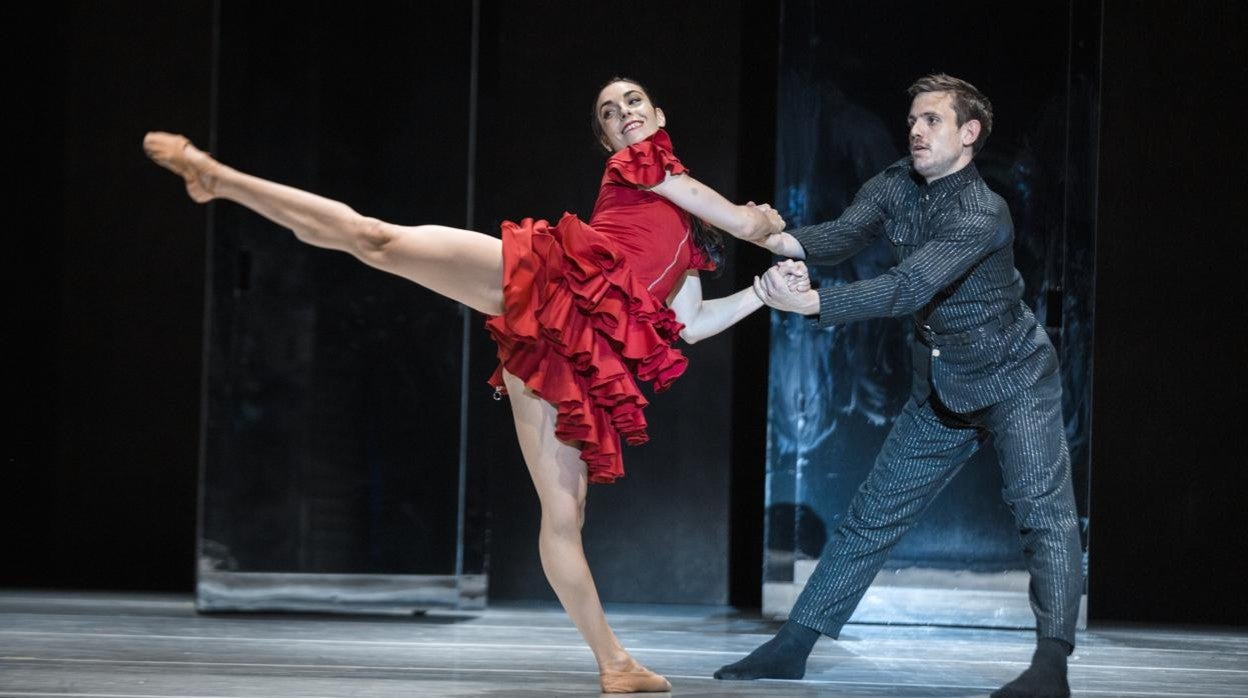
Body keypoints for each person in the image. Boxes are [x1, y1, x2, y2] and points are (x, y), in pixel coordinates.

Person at [144, 77, 792, 694]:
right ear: (609, 143)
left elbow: (695, 323)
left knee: (566, 516)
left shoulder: (682, 233)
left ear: (659, 115)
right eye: (608, 112)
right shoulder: (644, 166)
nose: (623, 111)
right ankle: (219, 178)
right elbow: (740, 221)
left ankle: (614, 663)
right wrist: (776, 229)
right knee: (375, 239)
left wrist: (765, 292)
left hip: (563, 355)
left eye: (633, 100)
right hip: (546, 284)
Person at [720, 73, 1082, 698]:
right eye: (913, 119)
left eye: (932, 120)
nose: (916, 129)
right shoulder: (894, 183)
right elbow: (841, 235)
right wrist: (776, 238)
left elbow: (907, 288)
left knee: (1042, 514)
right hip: (942, 388)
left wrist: (814, 307)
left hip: (1014, 379)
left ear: (969, 135)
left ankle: (1051, 665)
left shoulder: (981, 211)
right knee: (872, 514)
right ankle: (794, 644)